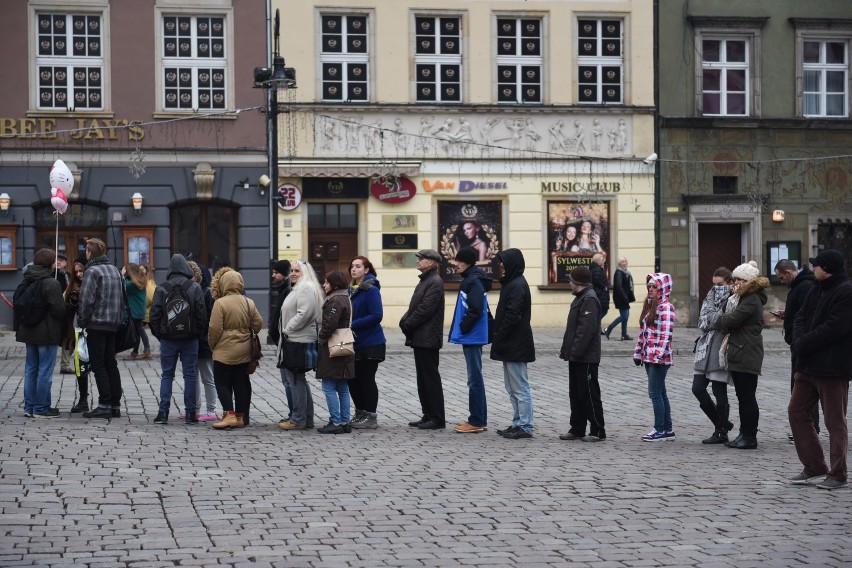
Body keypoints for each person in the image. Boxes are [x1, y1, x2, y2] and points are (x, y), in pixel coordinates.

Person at [789, 249, 852, 490]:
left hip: (832, 367)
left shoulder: (845, 291)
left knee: (834, 421)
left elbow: (834, 328)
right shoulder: (816, 288)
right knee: (796, 411)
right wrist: (798, 342)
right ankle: (814, 466)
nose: (813, 269)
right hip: (807, 366)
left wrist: (803, 343)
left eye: (816, 266)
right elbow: (800, 318)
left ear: (827, 268)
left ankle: (838, 473)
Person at [149, 254, 208, 425]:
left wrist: (161, 335)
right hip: (190, 339)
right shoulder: (194, 287)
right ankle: (191, 414)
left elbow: (154, 316)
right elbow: (201, 314)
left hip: (168, 339)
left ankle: (163, 413)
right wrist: (196, 333)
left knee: (167, 375)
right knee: (190, 375)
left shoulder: (162, 288)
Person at [717, 261, 769, 450]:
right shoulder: (741, 297)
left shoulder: (751, 298)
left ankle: (749, 436)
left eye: (739, 279)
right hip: (740, 348)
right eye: (735, 279)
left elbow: (732, 319)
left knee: (747, 397)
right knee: (743, 396)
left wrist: (722, 319)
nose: (735, 282)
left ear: (747, 281)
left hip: (747, 350)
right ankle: (743, 433)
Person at [208, 269, 263, 430]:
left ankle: (229, 414)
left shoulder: (220, 303)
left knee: (221, 382)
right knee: (240, 383)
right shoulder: (248, 302)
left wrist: (213, 345)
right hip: (244, 350)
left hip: (224, 351)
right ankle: (240, 417)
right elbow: (258, 324)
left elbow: (214, 329)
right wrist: (247, 333)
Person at [491, 248, 536, 440]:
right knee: (512, 387)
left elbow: (513, 315)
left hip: (515, 342)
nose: (500, 265)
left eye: (503, 262)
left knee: (519, 387)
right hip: (510, 343)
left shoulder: (517, 284)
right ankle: (518, 422)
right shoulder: (511, 283)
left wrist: (499, 335)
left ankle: (525, 426)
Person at [78, 238, 125, 420]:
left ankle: (104, 404)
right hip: (113, 324)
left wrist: (82, 322)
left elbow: (86, 300)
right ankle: (115, 405)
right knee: (110, 363)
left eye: (87, 252)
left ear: (90, 253)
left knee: (98, 365)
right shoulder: (114, 270)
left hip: (96, 324)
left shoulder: (92, 271)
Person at [400, 249, 446, 430]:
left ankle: (437, 418)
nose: (418, 261)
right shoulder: (425, 281)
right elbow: (415, 306)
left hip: (428, 337)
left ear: (433, 263)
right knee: (423, 379)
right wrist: (405, 321)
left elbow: (425, 309)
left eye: (422, 258)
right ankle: (428, 414)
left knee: (430, 378)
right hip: (420, 337)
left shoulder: (435, 282)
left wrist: (407, 324)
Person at [16, 248, 66, 418]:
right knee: (45, 371)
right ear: (50, 263)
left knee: (31, 370)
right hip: (47, 333)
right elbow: (59, 310)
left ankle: (29, 407)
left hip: (29, 332)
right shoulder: (52, 283)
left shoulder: (27, 279)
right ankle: (41, 408)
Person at [448, 246, 493, 434]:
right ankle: (478, 419)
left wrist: (464, 328)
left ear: (466, 262)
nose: (455, 264)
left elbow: (475, 310)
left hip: (473, 336)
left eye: (458, 261)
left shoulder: (473, 281)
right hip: (472, 335)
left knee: (474, 379)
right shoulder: (472, 279)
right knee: (475, 378)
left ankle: (476, 420)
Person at [559, 266, 605, 442]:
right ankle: (577, 428)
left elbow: (585, 331)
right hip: (577, 356)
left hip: (586, 357)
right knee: (576, 393)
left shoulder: (589, 299)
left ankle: (597, 430)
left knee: (589, 394)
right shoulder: (581, 297)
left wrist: (575, 352)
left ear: (578, 282)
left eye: (571, 279)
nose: (569, 282)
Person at [774, 259, 819, 438]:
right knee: (800, 385)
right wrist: (787, 315)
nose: (780, 281)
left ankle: (810, 427)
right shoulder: (799, 285)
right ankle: (806, 428)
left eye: (780, 277)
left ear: (788, 272)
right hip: (797, 343)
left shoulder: (805, 285)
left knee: (804, 387)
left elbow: (808, 315)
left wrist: (800, 340)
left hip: (803, 344)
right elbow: (800, 311)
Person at [277, 259, 323, 431]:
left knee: (295, 380)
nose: (293, 273)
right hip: (295, 338)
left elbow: (304, 314)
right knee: (298, 380)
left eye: (297, 271)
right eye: (292, 270)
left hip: (297, 340)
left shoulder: (306, 288)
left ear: (305, 272)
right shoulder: (300, 287)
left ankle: (298, 419)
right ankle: (306, 418)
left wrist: (288, 330)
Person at [692, 267, 735, 444]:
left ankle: (721, 431)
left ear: (729, 283)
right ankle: (723, 422)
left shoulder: (732, 299)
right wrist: (713, 319)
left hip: (720, 348)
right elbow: (702, 322)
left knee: (719, 390)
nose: (717, 288)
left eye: (720, 284)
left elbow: (725, 321)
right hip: (705, 347)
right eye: (714, 285)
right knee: (697, 388)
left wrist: (713, 318)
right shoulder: (709, 297)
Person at [634, 272, 676, 441]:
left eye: (654, 286)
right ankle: (667, 429)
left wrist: (657, 356)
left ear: (663, 288)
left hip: (659, 359)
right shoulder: (651, 306)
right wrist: (638, 352)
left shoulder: (666, 307)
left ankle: (659, 429)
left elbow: (666, 335)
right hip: (648, 357)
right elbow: (643, 334)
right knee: (661, 393)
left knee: (655, 393)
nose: (650, 289)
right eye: (649, 286)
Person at [348, 255, 386, 430]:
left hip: (370, 342)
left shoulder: (371, 289)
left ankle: (371, 416)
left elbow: (376, 316)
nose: (353, 269)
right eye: (352, 266)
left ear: (366, 270)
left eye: (358, 266)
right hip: (354, 342)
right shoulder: (351, 289)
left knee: (366, 379)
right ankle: (360, 412)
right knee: (353, 380)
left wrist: (351, 325)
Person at [316, 271, 356, 434]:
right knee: (342, 386)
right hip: (344, 344)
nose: (324, 285)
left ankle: (336, 421)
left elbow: (330, 325)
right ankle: (345, 421)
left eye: (326, 282)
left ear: (335, 285)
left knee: (329, 385)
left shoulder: (335, 300)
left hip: (333, 346)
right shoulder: (345, 297)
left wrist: (321, 338)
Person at [179, 261, 217, 421]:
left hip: (203, 341)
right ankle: (193, 408)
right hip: (191, 340)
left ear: (195, 276)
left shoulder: (206, 293)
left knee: (207, 377)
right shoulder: (189, 291)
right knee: (192, 377)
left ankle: (211, 410)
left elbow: (209, 319)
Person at [268, 259, 295, 420]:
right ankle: (294, 414)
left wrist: (281, 334)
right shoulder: (283, 288)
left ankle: (295, 415)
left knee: (290, 382)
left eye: (276, 272)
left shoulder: (288, 290)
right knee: (288, 382)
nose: (273, 275)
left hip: (287, 341)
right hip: (282, 340)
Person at [66, 257, 90, 412]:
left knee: (99, 365)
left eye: (81, 270)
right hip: (78, 330)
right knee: (80, 365)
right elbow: (67, 308)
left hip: (93, 328)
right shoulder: (73, 285)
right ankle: (83, 399)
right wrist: (72, 302)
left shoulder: (93, 281)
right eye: (76, 272)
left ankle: (108, 401)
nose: (79, 274)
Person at [123, 263, 152, 360]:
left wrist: (122, 275)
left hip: (134, 312)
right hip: (139, 311)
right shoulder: (138, 281)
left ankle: (146, 351)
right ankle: (136, 352)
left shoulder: (132, 284)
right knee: (138, 331)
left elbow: (123, 286)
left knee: (138, 331)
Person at [605, 257, 635, 340]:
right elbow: (618, 287)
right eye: (622, 261)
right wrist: (625, 297)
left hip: (624, 297)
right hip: (621, 298)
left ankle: (624, 334)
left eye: (625, 261)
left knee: (625, 316)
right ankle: (608, 329)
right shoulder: (619, 273)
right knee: (624, 316)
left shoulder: (626, 273)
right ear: (619, 264)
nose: (624, 263)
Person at [55, 253, 73, 373]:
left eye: (61, 260)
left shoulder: (69, 276)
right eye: (56, 260)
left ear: (66, 263)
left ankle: (65, 365)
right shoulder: (50, 274)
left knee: (68, 339)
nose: (58, 262)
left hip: (67, 312)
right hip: (53, 312)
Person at [590, 253, 610, 324]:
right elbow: (596, 280)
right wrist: (604, 287)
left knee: (600, 311)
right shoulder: (597, 269)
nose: (603, 261)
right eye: (602, 259)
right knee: (602, 311)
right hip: (600, 293)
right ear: (598, 261)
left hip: (599, 293)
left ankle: (597, 327)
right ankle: (594, 325)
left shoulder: (597, 268)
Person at [140, 264, 156, 330]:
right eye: (139, 270)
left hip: (146, 313)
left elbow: (150, 298)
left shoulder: (148, 282)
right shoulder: (146, 281)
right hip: (146, 313)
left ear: (146, 271)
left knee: (139, 331)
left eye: (142, 269)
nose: (140, 271)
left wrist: (142, 304)